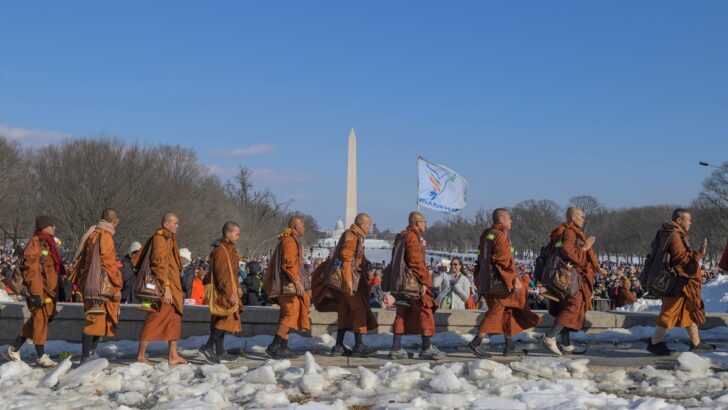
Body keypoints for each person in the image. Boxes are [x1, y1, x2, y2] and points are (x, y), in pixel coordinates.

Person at [468, 208, 542, 357]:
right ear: (501, 220)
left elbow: (482, 257)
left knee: (507, 311)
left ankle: (510, 346)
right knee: (495, 312)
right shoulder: (500, 236)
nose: (511, 221)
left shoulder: (486, 234)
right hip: (499, 283)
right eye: (509, 218)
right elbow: (503, 261)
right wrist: (513, 279)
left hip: (487, 281)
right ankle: (475, 343)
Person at [646, 209, 714, 355]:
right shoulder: (674, 235)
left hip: (679, 281)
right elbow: (680, 259)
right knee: (668, 312)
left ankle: (696, 343)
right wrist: (699, 254)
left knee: (688, 311)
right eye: (688, 220)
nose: (690, 223)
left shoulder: (667, 232)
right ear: (679, 221)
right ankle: (655, 343)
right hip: (676, 282)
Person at [3, 215, 65, 367]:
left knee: (37, 321)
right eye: (52, 225)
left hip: (48, 291)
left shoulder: (48, 243)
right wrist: (36, 293)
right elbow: (32, 271)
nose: (54, 228)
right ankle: (40, 355)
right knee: (40, 320)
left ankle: (14, 349)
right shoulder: (36, 243)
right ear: (45, 227)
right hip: (39, 291)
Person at [389, 212, 446, 361]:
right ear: (416, 222)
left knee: (401, 314)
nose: (425, 224)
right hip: (413, 284)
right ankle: (427, 348)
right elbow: (415, 261)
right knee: (425, 310)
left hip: (400, 282)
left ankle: (396, 348)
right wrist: (425, 281)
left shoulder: (401, 235)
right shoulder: (412, 237)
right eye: (423, 221)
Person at [542, 207, 599, 356]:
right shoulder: (570, 232)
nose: (583, 218)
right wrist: (585, 249)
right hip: (570, 279)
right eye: (581, 216)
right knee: (573, 306)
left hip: (562, 279)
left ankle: (566, 345)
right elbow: (568, 252)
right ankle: (549, 337)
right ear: (573, 217)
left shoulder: (561, 232)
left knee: (564, 308)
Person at [136, 213, 188, 365]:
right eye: (175, 223)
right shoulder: (160, 238)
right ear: (166, 224)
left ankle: (173, 355)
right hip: (164, 288)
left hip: (174, 288)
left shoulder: (170, 238)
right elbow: (158, 263)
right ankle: (140, 355)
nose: (177, 225)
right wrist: (166, 287)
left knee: (174, 320)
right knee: (154, 320)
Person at [329, 213, 378, 357]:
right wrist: (348, 283)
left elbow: (357, 258)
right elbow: (345, 259)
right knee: (360, 310)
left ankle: (338, 346)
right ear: (362, 224)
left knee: (345, 312)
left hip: (350, 280)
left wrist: (367, 265)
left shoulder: (357, 236)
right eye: (368, 224)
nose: (369, 227)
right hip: (350, 281)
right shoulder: (353, 235)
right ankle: (359, 346)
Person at [264, 216, 310, 359]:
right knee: (290, 313)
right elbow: (288, 263)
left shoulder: (291, 239)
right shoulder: (290, 241)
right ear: (296, 226)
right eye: (302, 225)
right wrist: (296, 281)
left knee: (288, 315)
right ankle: (274, 346)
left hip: (287, 285)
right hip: (288, 286)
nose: (304, 228)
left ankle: (283, 347)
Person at [199, 222, 244, 364]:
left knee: (221, 320)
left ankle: (219, 351)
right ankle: (207, 348)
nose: (238, 237)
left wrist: (237, 287)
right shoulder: (220, 251)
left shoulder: (230, 249)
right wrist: (229, 293)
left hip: (230, 290)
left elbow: (233, 272)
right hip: (224, 293)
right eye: (236, 234)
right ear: (228, 233)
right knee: (226, 319)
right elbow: (222, 275)